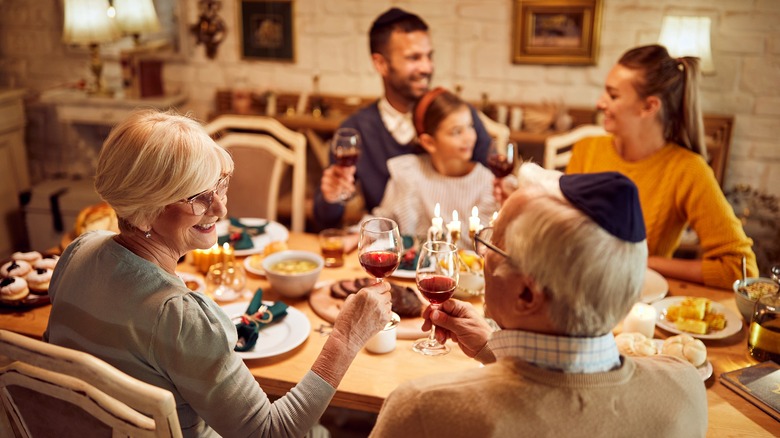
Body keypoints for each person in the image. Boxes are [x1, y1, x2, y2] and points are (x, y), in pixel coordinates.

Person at [44, 110, 393, 437]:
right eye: (197, 197)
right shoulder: (179, 316)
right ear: (144, 211)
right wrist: (346, 337)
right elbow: (272, 432)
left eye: (220, 184)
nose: (221, 207)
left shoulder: (80, 250)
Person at [371, 164, 707, 437]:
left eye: (491, 241)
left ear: (526, 294)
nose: (482, 253)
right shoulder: (685, 387)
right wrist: (493, 350)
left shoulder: (425, 409)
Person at [566, 44, 756, 289]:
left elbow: (740, 268)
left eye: (613, 96)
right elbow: (565, 226)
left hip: (633, 299)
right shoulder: (587, 149)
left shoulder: (688, 170)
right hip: (574, 286)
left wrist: (643, 261)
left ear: (649, 106)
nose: (599, 103)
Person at [314, 7, 492, 228]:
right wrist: (331, 198)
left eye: (429, 56)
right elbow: (326, 222)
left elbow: (493, 189)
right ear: (380, 63)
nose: (427, 67)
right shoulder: (357, 129)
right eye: (414, 58)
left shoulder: (460, 119)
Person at [370, 87, 497, 246]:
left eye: (470, 126)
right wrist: (360, 235)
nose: (469, 137)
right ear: (429, 142)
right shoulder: (409, 172)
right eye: (456, 131)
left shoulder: (487, 183)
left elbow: (489, 243)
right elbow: (383, 222)